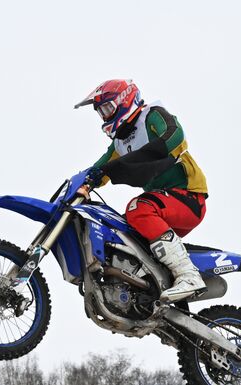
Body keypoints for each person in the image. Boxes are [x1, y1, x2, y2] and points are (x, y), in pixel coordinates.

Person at [74, 79, 210, 302]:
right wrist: (82, 183)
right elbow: (101, 167)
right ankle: (147, 290)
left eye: (107, 108)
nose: (105, 116)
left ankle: (189, 275)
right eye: (101, 113)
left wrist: (136, 158)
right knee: (122, 233)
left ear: (124, 99)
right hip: (163, 205)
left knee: (138, 209)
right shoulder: (119, 143)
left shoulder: (151, 116)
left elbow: (175, 135)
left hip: (188, 196)